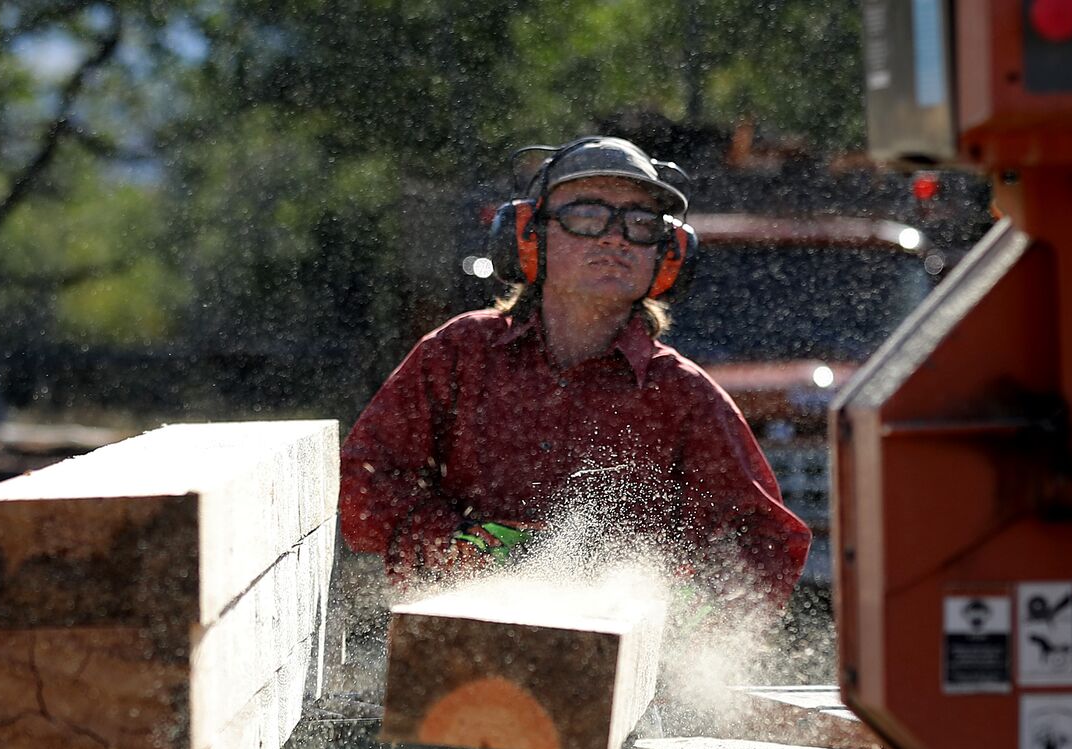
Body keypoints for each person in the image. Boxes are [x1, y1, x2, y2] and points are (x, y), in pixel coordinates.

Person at [339, 137, 810, 613]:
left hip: (618, 648)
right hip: (456, 631)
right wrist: (456, 546)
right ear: (529, 237)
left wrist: (690, 609)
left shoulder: (682, 393)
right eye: (587, 216)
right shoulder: (460, 353)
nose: (615, 237)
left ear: (667, 254)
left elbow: (767, 540)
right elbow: (367, 473)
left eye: (641, 223)